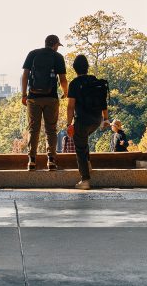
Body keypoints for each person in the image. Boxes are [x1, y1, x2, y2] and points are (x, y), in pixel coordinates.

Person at [21, 34, 68, 170]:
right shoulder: (57, 57)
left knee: (33, 129)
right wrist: (66, 92)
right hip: (51, 97)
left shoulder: (32, 54)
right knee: (51, 129)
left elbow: (25, 75)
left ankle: (32, 160)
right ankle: (51, 160)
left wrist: (24, 94)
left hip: (33, 98)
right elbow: (63, 79)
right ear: (55, 45)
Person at [66, 54, 109, 190]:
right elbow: (103, 101)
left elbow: (70, 106)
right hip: (96, 120)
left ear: (75, 69)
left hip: (82, 120)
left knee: (79, 147)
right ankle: (88, 163)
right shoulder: (93, 80)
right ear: (87, 67)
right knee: (83, 140)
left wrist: (69, 124)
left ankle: (85, 180)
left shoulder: (74, 84)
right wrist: (106, 118)